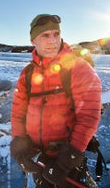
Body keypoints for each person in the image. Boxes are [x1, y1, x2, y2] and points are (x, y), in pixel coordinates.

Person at [10, 14, 102, 188]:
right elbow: (18, 113)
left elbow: (88, 116)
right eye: (45, 35)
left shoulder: (78, 67)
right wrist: (19, 148)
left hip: (67, 161)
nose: (53, 40)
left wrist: (65, 162)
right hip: (39, 159)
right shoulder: (27, 74)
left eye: (56, 34)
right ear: (33, 40)